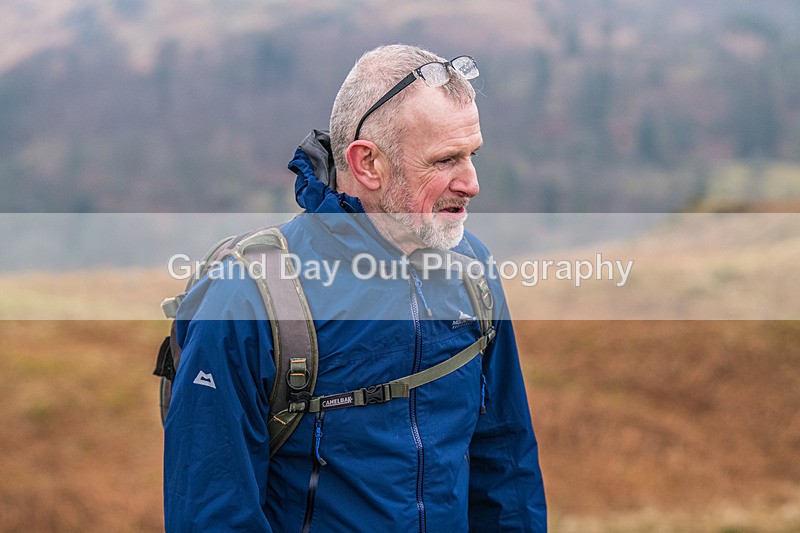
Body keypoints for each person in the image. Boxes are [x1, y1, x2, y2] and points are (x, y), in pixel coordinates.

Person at [163, 44, 547, 532]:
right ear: (367, 164)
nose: (471, 182)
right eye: (446, 159)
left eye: (472, 155)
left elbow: (506, 469)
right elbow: (212, 515)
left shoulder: (471, 271)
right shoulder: (249, 301)